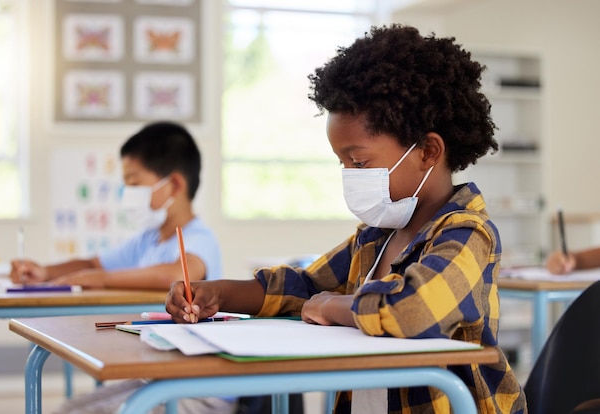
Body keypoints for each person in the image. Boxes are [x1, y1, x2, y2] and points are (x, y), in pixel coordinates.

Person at [166, 24, 527, 413]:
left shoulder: (468, 233)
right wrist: (218, 294)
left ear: (427, 151)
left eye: (359, 162)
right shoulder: (376, 237)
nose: (350, 175)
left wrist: (337, 307)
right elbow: (305, 287)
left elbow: (415, 309)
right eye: (343, 163)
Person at [9, 121, 222, 290]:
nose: (128, 194)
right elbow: (93, 265)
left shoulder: (200, 238)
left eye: (135, 184)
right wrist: (44, 273)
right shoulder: (147, 240)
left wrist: (103, 279)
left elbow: (176, 275)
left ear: (174, 185)